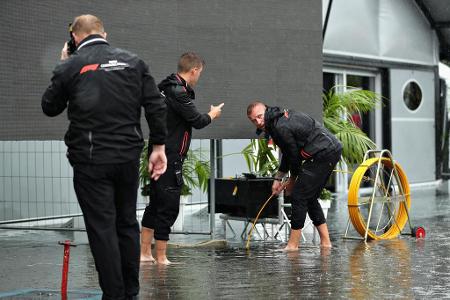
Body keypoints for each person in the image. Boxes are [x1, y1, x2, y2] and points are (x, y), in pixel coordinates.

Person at [41, 15, 167, 299]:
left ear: (74, 38)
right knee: (126, 223)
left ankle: (114, 294)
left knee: (102, 229)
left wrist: (63, 63)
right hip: (126, 158)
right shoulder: (133, 62)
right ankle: (130, 293)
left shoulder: (71, 64)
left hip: (90, 161)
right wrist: (158, 146)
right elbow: (156, 105)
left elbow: (50, 106)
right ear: (104, 34)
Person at [140, 52, 224, 265]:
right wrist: (213, 114)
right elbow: (197, 120)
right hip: (169, 155)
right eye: (199, 73)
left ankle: (145, 254)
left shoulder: (164, 87)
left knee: (156, 204)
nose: (198, 78)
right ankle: (161, 258)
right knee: (168, 206)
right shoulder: (178, 92)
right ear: (194, 70)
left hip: (157, 151)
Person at [247, 101, 342, 250]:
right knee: (309, 197)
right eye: (254, 120)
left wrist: (291, 180)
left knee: (299, 195)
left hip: (325, 152)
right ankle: (326, 243)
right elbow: (288, 153)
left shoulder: (280, 126)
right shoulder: (277, 121)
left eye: (260, 116)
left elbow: (294, 157)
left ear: (266, 111)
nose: (258, 122)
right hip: (325, 150)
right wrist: (277, 179)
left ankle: (293, 245)